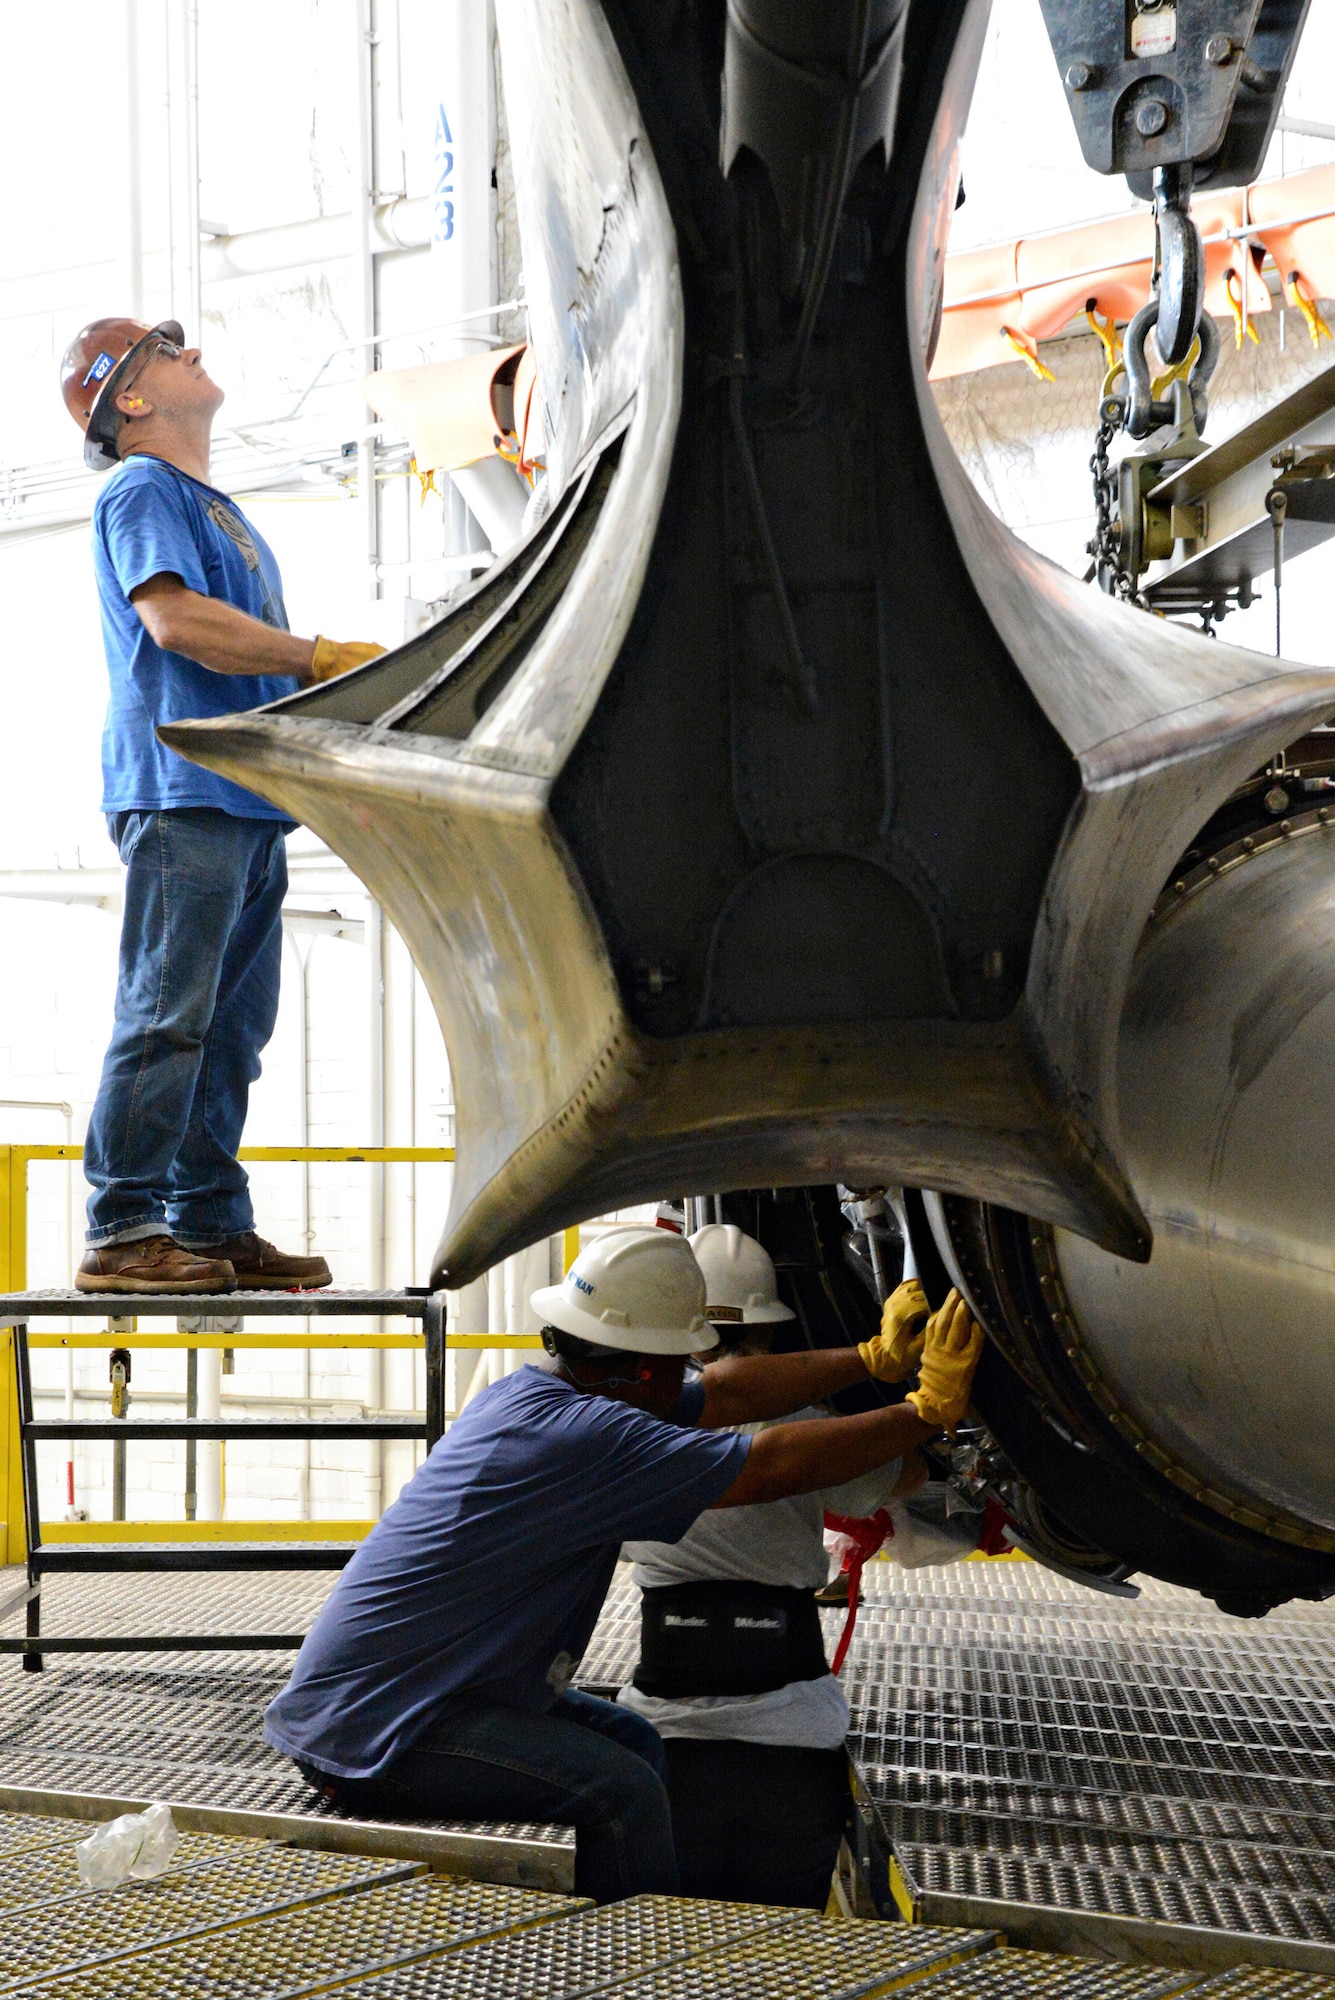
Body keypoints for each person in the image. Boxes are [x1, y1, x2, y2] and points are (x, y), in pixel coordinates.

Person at [262, 1223, 983, 1904]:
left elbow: (726, 1393)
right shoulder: (584, 1437)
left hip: (425, 1694)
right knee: (620, 1792)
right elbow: (761, 1467)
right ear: (642, 1366)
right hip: (380, 1732)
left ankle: (626, 1906)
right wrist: (922, 1412)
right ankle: (639, 1962)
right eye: (681, 1357)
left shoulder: (546, 1399)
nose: (694, 1369)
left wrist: (871, 1359)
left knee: (635, 1740)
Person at [59, 317, 386, 1295]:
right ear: (131, 396)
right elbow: (178, 620)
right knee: (167, 1012)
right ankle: (123, 1224)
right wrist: (316, 653)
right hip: (182, 788)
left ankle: (205, 1215)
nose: (194, 351)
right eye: (168, 346)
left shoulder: (216, 507)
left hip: (244, 800)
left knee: (230, 1028)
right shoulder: (143, 489)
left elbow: (247, 665)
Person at [618, 1223, 934, 1909]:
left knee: (671, 1946)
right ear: (767, 1331)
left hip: (669, 1743)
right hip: (790, 1747)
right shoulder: (808, 1432)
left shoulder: (627, 1432)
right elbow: (904, 1475)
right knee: (781, 1948)